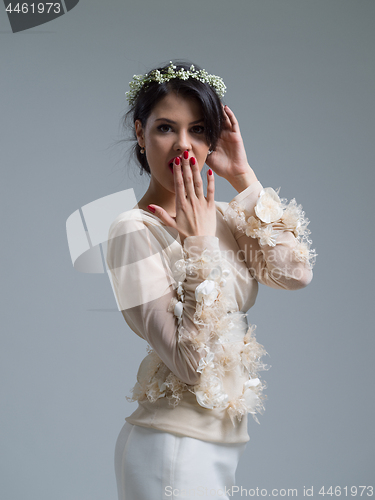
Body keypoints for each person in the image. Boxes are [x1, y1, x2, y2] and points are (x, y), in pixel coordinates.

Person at [106, 61, 316, 499]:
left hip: (222, 442)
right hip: (172, 446)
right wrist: (198, 245)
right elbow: (188, 363)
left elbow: (296, 273)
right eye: (166, 128)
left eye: (198, 129)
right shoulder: (132, 230)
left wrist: (243, 176)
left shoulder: (222, 216)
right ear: (141, 134)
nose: (183, 145)